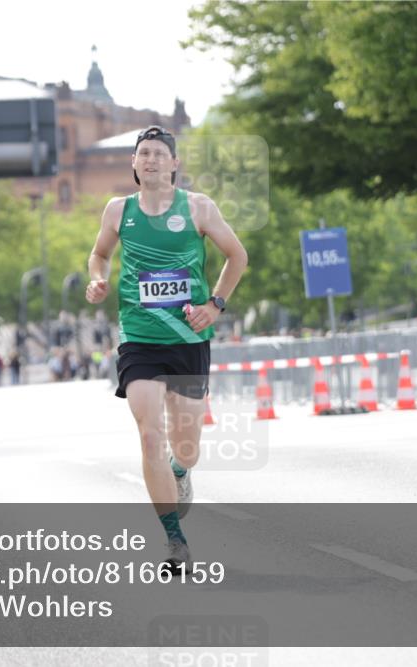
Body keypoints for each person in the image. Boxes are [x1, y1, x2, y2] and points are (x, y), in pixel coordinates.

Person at [85, 126, 248, 573]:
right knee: (149, 433)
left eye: (159, 153)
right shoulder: (118, 211)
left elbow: (238, 255)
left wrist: (215, 306)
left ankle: (181, 472)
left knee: (186, 447)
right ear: (134, 164)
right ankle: (174, 541)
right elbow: (99, 254)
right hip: (139, 337)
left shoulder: (198, 207)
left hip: (189, 338)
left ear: (175, 164)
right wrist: (98, 278)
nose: (151, 159)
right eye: (144, 153)